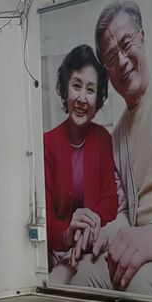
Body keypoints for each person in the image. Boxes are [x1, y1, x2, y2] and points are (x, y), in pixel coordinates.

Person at [69, 1, 152, 298]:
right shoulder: (117, 135)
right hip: (136, 246)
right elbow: (126, 213)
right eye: (110, 57)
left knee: (138, 284)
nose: (121, 61)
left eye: (127, 44)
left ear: (142, 37)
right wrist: (101, 235)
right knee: (80, 275)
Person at [44, 45, 119, 283]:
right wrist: (68, 233)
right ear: (65, 89)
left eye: (90, 90)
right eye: (76, 86)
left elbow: (110, 201)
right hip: (56, 252)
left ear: (98, 99)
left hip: (92, 246)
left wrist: (89, 225)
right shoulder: (47, 143)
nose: (82, 99)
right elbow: (44, 214)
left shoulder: (104, 139)